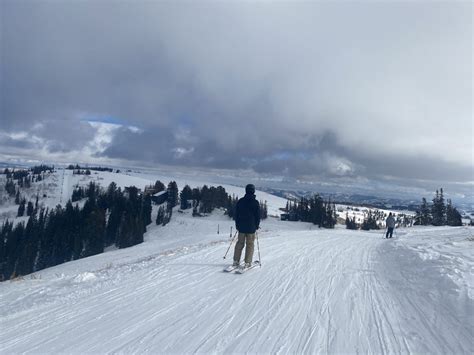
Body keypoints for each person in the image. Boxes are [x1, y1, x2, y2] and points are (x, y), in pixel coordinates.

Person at [233, 184, 260, 268]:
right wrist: (256, 225)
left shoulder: (240, 201)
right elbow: (257, 216)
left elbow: (236, 214)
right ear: (253, 191)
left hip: (241, 227)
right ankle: (247, 262)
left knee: (239, 243)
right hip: (251, 228)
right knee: (250, 244)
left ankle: (236, 261)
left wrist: (237, 225)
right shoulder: (255, 202)